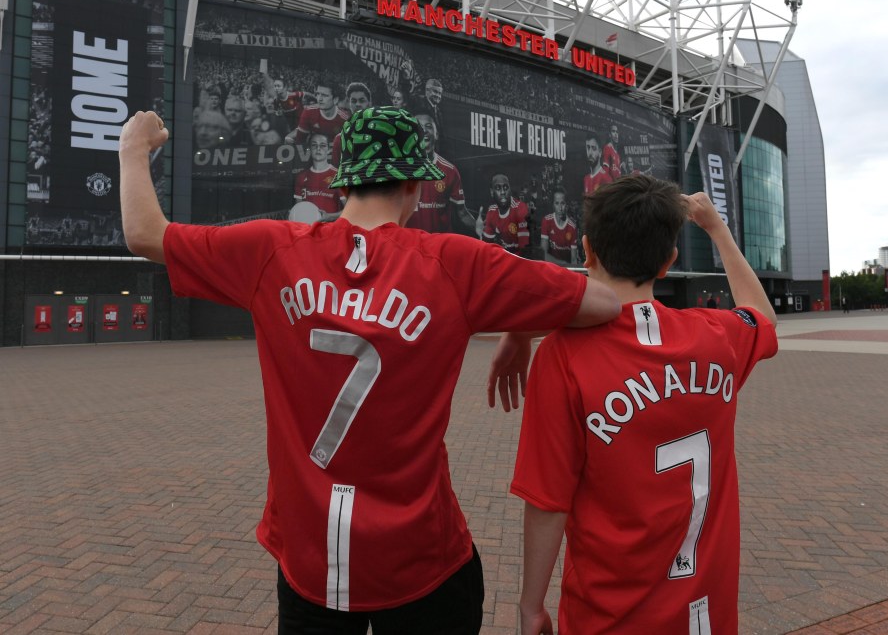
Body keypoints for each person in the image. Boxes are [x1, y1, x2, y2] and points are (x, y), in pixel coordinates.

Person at [118, 107, 620, 633]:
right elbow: (602, 304)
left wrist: (133, 146)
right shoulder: (456, 263)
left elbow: (145, 234)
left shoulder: (271, 250)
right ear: (415, 186)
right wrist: (521, 327)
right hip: (423, 559)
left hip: (311, 561)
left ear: (344, 185)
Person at [505, 175, 778, 635]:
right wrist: (717, 230)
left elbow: (548, 502)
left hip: (610, 614)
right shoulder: (717, 336)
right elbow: (764, 318)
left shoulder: (563, 354)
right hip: (705, 611)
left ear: (587, 250)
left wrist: (531, 604)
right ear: (669, 262)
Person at [405, 113, 475, 234]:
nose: (424, 130)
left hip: (439, 246)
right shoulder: (399, 169)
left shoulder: (449, 171)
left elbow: (462, 213)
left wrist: (479, 227)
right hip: (410, 246)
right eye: (419, 127)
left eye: (428, 126)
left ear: (436, 135)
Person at [292, 133, 342, 221]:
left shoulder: (338, 176)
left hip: (330, 229)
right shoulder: (301, 177)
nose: (318, 149)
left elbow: (350, 210)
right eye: (314, 145)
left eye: (322, 145)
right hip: (308, 230)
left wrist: (329, 216)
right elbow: (298, 208)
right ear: (309, 149)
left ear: (329, 150)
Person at [479, 173, 530, 255]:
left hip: (519, 260)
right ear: (492, 192)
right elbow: (486, 248)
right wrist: (479, 233)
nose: (502, 192)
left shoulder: (520, 208)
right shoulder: (491, 212)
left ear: (510, 190)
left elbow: (524, 251)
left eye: (505, 187)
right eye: (498, 188)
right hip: (503, 258)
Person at [539, 189, 578, 266]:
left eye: (562, 203)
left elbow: (573, 259)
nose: (560, 208)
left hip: (567, 269)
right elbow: (543, 254)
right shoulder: (547, 221)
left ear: (566, 205)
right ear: (553, 205)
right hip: (551, 267)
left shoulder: (572, 227)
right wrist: (562, 264)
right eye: (557, 203)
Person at [582, 132, 612, 197]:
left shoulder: (606, 178)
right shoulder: (586, 179)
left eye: (593, 148)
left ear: (600, 152)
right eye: (588, 148)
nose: (590, 153)